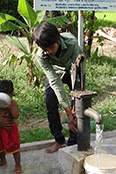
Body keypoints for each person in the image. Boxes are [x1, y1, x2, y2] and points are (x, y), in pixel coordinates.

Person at [33, 22, 83, 153]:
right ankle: (59, 141)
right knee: (50, 104)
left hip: (72, 72)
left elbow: (76, 75)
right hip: (55, 74)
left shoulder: (72, 43)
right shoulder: (41, 55)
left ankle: (73, 142)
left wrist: (72, 107)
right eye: (45, 50)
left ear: (58, 40)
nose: (49, 52)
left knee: (78, 106)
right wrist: (66, 109)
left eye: (51, 48)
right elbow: (54, 80)